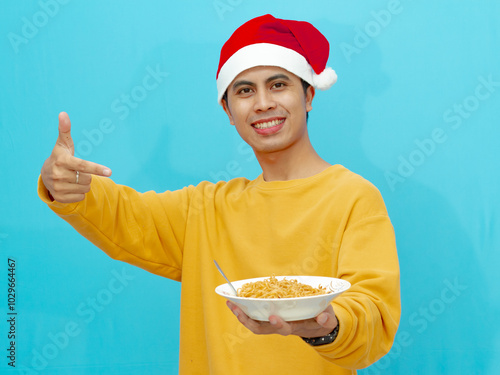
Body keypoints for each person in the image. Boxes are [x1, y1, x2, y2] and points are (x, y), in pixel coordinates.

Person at [38, 14, 400, 375]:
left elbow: (373, 313)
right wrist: (68, 185)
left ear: (308, 95)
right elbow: (125, 216)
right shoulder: (205, 210)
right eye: (244, 90)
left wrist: (324, 327)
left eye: (278, 84)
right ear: (227, 110)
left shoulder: (353, 197)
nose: (262, 104)